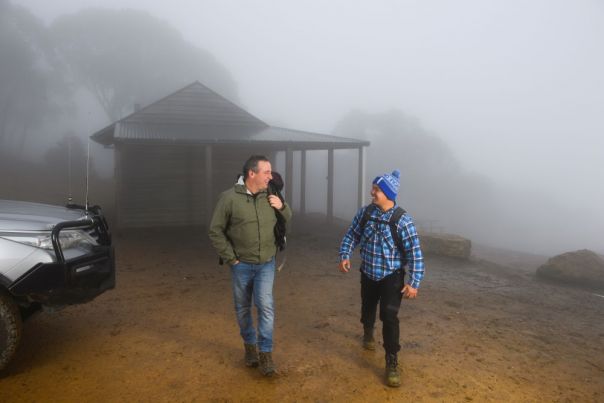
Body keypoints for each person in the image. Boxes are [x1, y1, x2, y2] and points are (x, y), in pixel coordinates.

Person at [338, 169, 425, 387]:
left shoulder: (402, 221)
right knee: (367, 307)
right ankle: (368, 331)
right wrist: (345, 254)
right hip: (368, 272)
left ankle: (391, 361)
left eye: (376, 190)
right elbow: (352, 234)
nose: (372, 192)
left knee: (389, 317)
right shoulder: (366, 213)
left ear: (388, 193)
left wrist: (414, 283)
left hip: (391, 277)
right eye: (373, 188)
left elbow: (415, 253)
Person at [208, 155, 292, 376]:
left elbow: (288, 216)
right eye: (266, 172)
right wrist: (231, 258)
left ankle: (266, 354)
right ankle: (249, 347)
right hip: (241, 265)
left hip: (266, 263)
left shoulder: (271, 193)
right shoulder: (228, 198)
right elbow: (215, 230)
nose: (271, 176)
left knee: (265, 306)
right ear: (251, 174)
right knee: (243, 308)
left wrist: (281, 206)